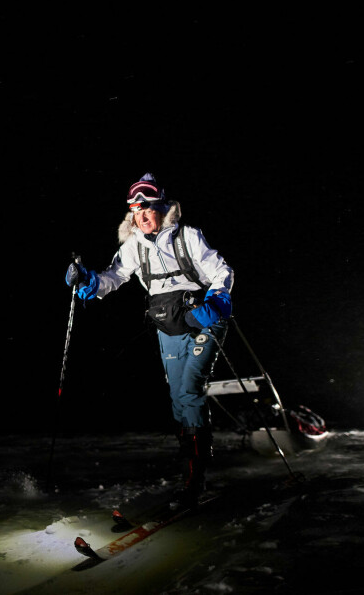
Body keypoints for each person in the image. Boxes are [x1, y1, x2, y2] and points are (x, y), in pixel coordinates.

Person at [65, 173, 234, 505]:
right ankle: (193, 470)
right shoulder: (132, 247)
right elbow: (112, 278)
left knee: (189, 389)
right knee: (177, 398)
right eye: (135, 210)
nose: (141, 216)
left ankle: (195, 478)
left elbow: (221, 270)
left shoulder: (187, 237)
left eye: (147, 208)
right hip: (166, 324)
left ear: (161, 208)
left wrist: (217, 301)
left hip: (201, 320)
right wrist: (87, 281)